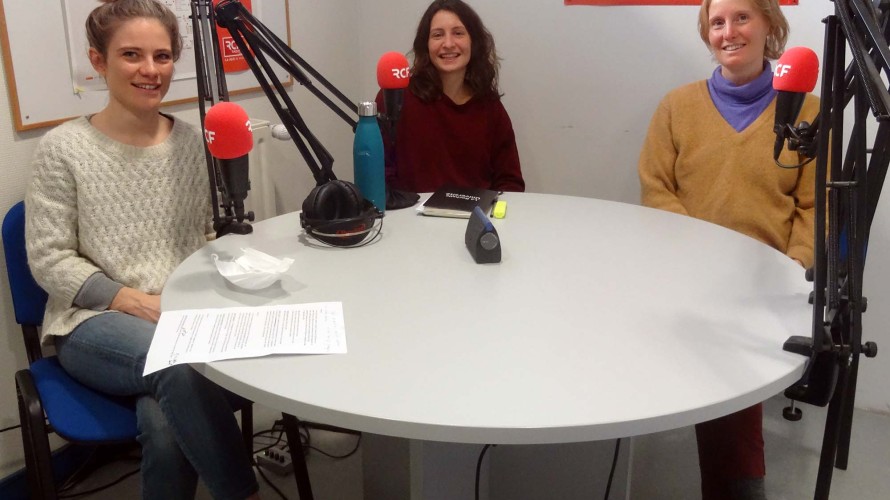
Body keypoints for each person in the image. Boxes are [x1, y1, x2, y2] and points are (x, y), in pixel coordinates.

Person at [25, 1, 260, 498]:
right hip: (90, 321)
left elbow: (202, 235)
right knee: (175, 365)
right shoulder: (63, 149)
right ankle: (243, 493)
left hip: (181, 315)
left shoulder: (192, 143)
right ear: (98, 61)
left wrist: (240, 269)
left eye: (162, 56)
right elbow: (49, 258)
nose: (150, 70)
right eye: (131, 55)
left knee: (163, 418)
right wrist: (129, 298)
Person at [637, 0, 819, 498]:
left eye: (742, 18)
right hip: (687, 272)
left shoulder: (807, 111)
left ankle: (739, 484)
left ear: (770, 26)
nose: (728, 31)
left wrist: (792, 265)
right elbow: (656, 188)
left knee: (728, 389)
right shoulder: (677, 106)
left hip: (764, 280)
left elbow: (814, 206)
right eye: (717, 22)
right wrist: (694, 254)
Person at [377, 0, 525, 194]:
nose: (448, 44)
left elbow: (510, 181)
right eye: (438, 35)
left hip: (476, 219)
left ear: (473, 41)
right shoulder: (396, 97)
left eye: (458, 33)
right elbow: (379, 175)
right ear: (426, 44)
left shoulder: (490, 106)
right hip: (412, 219)